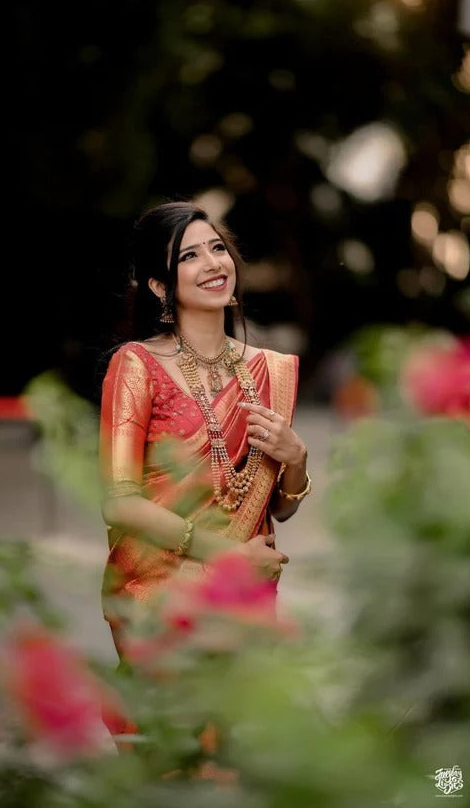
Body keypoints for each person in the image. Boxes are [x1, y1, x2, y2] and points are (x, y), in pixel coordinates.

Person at [99, 200, 311, 662]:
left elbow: (278, 509)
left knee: (241, 729)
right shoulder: (137, 365)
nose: (213, 263)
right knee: (180, 731)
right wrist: (227, 556)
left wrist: (296, 459)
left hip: (245, 604)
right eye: (188, 256)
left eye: (217, 248)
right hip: (161, 600)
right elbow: (120, 502)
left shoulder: (267, 370)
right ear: (159, 285)